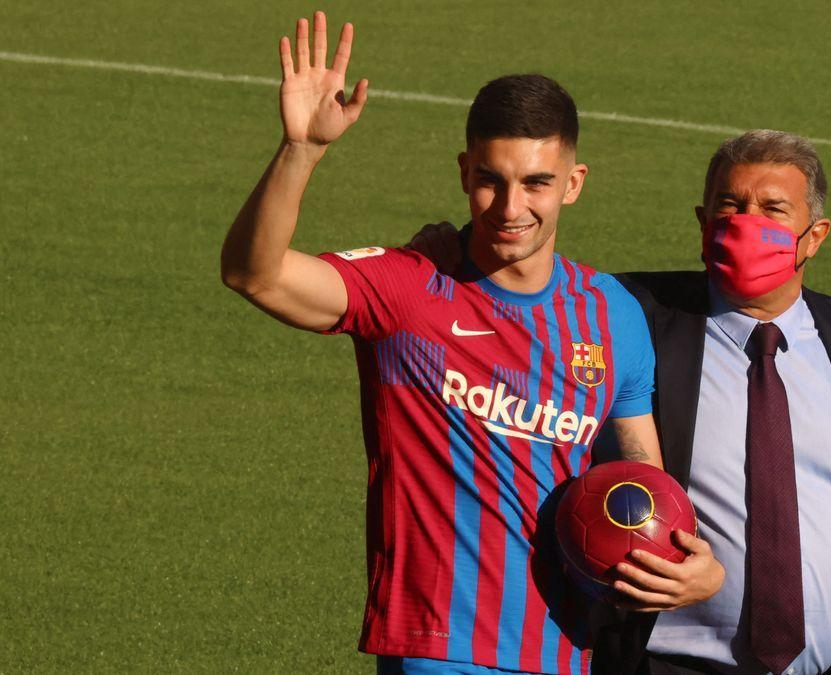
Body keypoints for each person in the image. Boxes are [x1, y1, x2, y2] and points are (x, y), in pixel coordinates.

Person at [219, 11, 721, 674]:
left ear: (572, 184)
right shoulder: (410, 290)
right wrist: (302, 151)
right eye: (492, 179)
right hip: (437, 646)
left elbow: (647, 490)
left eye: (537, 182)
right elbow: (254, 273)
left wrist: (695, 567)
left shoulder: (612, 315)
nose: (511, 207)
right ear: (463, 172)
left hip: (562, 651)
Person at [595, 130, 831, 675]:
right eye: (729, 205)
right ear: (702, 223)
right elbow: (524, 287)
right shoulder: (628, 313)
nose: (746, 222)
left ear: (815, 235)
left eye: (773, 209)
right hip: (665, 663)